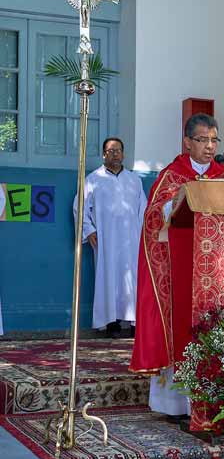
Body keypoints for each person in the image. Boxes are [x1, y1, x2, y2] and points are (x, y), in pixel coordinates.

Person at [130, 113, 224, 416]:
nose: (210, 146)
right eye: (202, 139)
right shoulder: (172, 175)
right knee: (181, 326)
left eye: (214, 140)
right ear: (187, 142)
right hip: (179, 266)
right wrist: (174, 202)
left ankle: (216, 403)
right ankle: (174, 405)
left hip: (214, 270)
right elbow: (153, 218)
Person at [74, 137, 147, 337]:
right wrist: (89, 230)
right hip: (105, 240)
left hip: (131, 239)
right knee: (108, 279)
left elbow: (143, 209)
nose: (115, 154)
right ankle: (111, 323)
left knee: (132, 279)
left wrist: (143, 235)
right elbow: (79, 207)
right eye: (110, 151)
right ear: (103, 154)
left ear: (123, 154)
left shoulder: (134, 180)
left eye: (118, 150)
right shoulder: (93, 179)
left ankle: (134, 322)